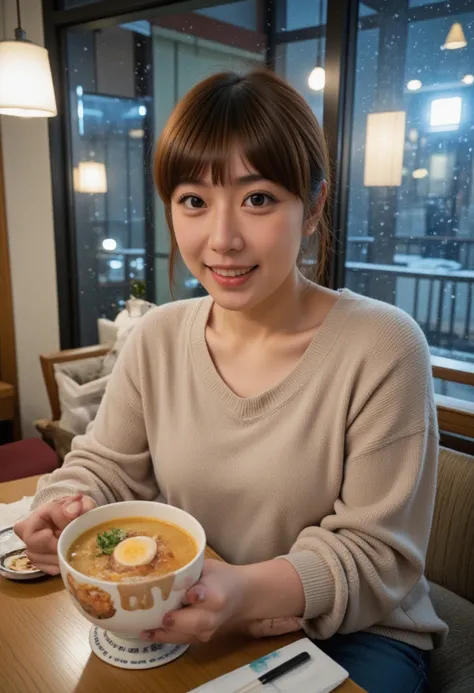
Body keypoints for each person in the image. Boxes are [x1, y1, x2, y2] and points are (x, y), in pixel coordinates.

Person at [15, 69, 447, 693]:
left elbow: (378, 555)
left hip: (357, 630)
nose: (222, 240)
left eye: (258, 198)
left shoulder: (383, 346)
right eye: (194, 201)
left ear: (314, 206)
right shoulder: (158, 337)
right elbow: (106, 468)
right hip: (194, 607)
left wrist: (245, 591)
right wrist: (60, 508)